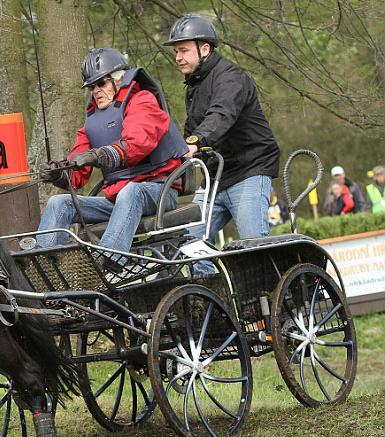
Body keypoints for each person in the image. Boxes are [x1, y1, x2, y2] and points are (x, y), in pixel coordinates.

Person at [37, 47, 188, 270]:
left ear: (120, 80)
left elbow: (138, 144)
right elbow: (77, 175)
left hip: (158, 190)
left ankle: (107, 259)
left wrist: (100, 155)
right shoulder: (92, 120)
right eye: (92, 87)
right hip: (118, 200)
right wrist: (59, 173)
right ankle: (43, 265)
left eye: (101, 84)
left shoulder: (143, 101)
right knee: (59, 203)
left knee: (132, 191)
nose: (96, 91)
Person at [165, 14, 280, 255]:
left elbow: (220, 116)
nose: (178, 58)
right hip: (215, 177)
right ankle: (213, 288)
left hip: (249, 170)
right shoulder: (195, 84)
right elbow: (192, 129)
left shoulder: (231, 77)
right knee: (186, 245)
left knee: (253, 250)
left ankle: (271, 292)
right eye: (176, 51)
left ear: (204, 48)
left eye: (184, 50)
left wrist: (194, 143)